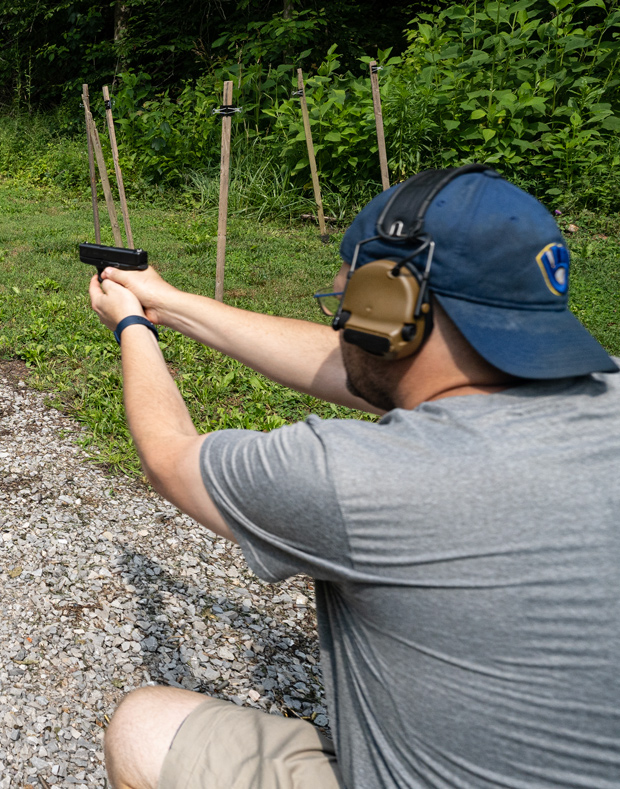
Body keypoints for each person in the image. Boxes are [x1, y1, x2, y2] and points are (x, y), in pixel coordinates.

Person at [86, 165, 620, 789]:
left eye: (345, 305)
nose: (339, 325)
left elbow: (168, 454)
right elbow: (374, 371)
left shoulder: (357, 480)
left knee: (143, 727)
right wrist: (170, 303)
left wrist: (132, 326)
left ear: (388, 306)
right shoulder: (602, 385)